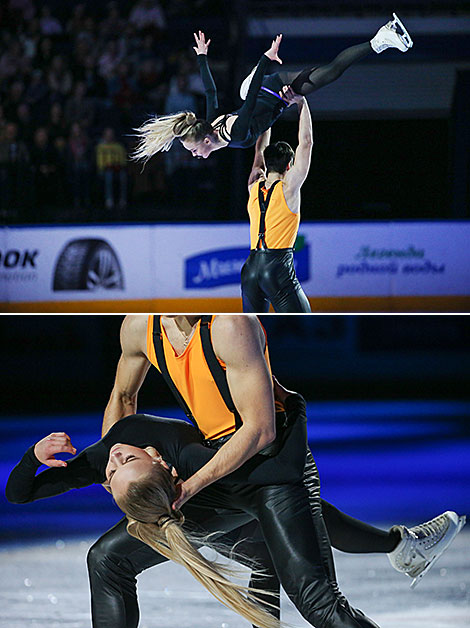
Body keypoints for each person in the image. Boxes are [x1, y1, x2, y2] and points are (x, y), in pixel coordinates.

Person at [5, 317, 465, 628]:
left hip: (267, 457)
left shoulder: (229, 326)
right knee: (107, 559)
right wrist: (117, 470)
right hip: (217, 474)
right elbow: (122, 401)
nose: (116, 457)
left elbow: (263, 434)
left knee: (312, 595)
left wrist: (182, 484)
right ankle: (401, 545)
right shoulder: (139, 330)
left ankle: (400, 544)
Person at [131, 14, 413, 163]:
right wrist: (202, 57)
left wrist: (265, 60)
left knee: (329, 74)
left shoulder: (234, 133)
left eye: (193, 151)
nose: (194, 155)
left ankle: (382, 38)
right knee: (321, 77)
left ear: (206, 142)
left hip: (268, 89)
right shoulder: (212, 124)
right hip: (263, 95)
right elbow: (211, 93)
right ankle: (381, 39)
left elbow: (252, 98)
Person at [241, 90, 312, 312]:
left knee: (254, 334)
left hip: (250, 269)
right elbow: (306, 143)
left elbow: (259, 149)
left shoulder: (254, 185)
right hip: (277, 268)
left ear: (267, 163)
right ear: (289, 166)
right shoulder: (289, 187)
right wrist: (302, 101)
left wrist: (270, 111)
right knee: (304, 324)